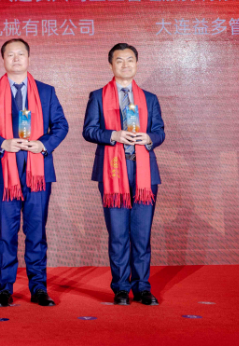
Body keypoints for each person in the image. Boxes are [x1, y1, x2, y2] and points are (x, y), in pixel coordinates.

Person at [0, 38, 69, 307]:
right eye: (10, 54)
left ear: (29, 58)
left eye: (21, 54)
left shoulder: (46, 92)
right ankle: (4, 289)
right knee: (5, 234)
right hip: (4, 175)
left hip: (38, 174)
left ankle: (38, 288)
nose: (16, 59)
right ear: (3, 59)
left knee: (36, 233)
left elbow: (61, 125)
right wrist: (2, 143)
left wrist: (43, 145)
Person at [82, 43, 165, 306]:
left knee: (141, 234)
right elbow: (89, 130)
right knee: (118, 234)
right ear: (111, 64)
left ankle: (142, 288)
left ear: (137, 64)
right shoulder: (98, 96)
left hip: (144, 172)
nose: (125, 65)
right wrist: (114, 135)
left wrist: (148, 138)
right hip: (113, 171)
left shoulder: (149, 98)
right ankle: (120, 288)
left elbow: (160, 131)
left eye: (130, 60)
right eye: (120, 60)